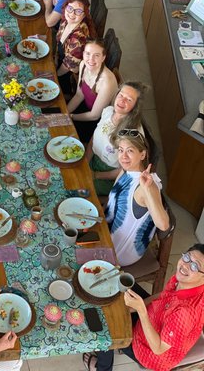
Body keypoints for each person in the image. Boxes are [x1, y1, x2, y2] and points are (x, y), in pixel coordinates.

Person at [87, 245, 204, 371]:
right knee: (124, 280)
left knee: (106, 328)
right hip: (158, 316)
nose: (186, 265)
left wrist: (141, 310)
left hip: (151, 353)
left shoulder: (184, 313)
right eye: (187, 257)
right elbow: (164, 296)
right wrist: (137, 306)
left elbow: (158, 348)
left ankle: (103, 368)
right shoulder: (183, 279)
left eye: (195, 266)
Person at [105, 131, 170, 267]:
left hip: (119, 253)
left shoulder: (147, 186)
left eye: (130, 151)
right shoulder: (125, 171)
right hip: (106, 234)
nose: (123, 156)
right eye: (121, 150)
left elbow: (163, 225)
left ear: (142, 154)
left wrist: (147, 189)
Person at [85, 82, 149, 196]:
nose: (122, 101)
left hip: (109, 176)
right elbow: (94, 139)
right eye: (121, 95)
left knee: (79, 188)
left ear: (135, 107)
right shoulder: (108, 111)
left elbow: (128, 169)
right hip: (92, 160)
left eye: (129, 100)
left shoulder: (132, 133)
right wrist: (85, 162)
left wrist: (95, 175)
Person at [66, 41, 118, 144]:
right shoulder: (83, 65)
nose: (91, 59)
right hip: (84, 108)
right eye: (87, 53)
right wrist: (65, 112)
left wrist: (71, 117)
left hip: (97, 122)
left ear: (103, 58)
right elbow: (79, 95)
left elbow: (95, 115)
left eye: (96, 55)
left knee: (65, 137)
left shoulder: (107, 81)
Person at [55, 0, 94, 96]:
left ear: (84, 14)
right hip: (60, 63)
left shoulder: (79, 37)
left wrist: (55, 76)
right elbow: (58, 43)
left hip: (68, 79)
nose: (72, 13)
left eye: (78, 11)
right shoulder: (66, 21)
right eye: (70, 8)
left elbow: (69, 66)